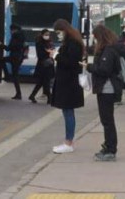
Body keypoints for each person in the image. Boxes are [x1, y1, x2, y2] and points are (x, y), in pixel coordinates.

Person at [84, 25, 121, 161]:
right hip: (104, 88)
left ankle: (111, 148)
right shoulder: (108, 49)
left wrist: (89, 67)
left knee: (107, 120)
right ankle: (108, 145)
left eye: (95, 37)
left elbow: (104, 70)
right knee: (106, 119)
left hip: (107, 88)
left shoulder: (108, 51)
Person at [51, 19, 85, 154]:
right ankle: (68, 141)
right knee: (67, 111)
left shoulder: (73, 43)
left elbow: (70, 62)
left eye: (59, 32)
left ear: (65, 30)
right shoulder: (72, 41)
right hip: (67, 83)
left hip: (69, 84)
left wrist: (56, 56)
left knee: (68, 112)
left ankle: (68, 142)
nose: (58, 35)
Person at [0, 23, 26, 100]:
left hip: (14, 57)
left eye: (11, 30)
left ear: (13, 30)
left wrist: (1, 45)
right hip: (19, 58)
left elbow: (9, 48)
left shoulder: (15, 37)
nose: (10, 32)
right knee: (15, 75)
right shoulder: (22, 37)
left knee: (1, 60)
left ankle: (7, 76)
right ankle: (18, 93)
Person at [29, 29, 55, 104]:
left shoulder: (49, 42)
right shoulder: (39, 43)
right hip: (43, 65)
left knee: (42, 82)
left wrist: (51, 51)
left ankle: (32, 95)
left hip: (48, 64)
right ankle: (49, 98)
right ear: (42, 34)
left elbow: (52, 50)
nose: (47, 36)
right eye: (46, 34)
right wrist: (47, 52)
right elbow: (40, 55)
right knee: (45, 81)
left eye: (48, 34)